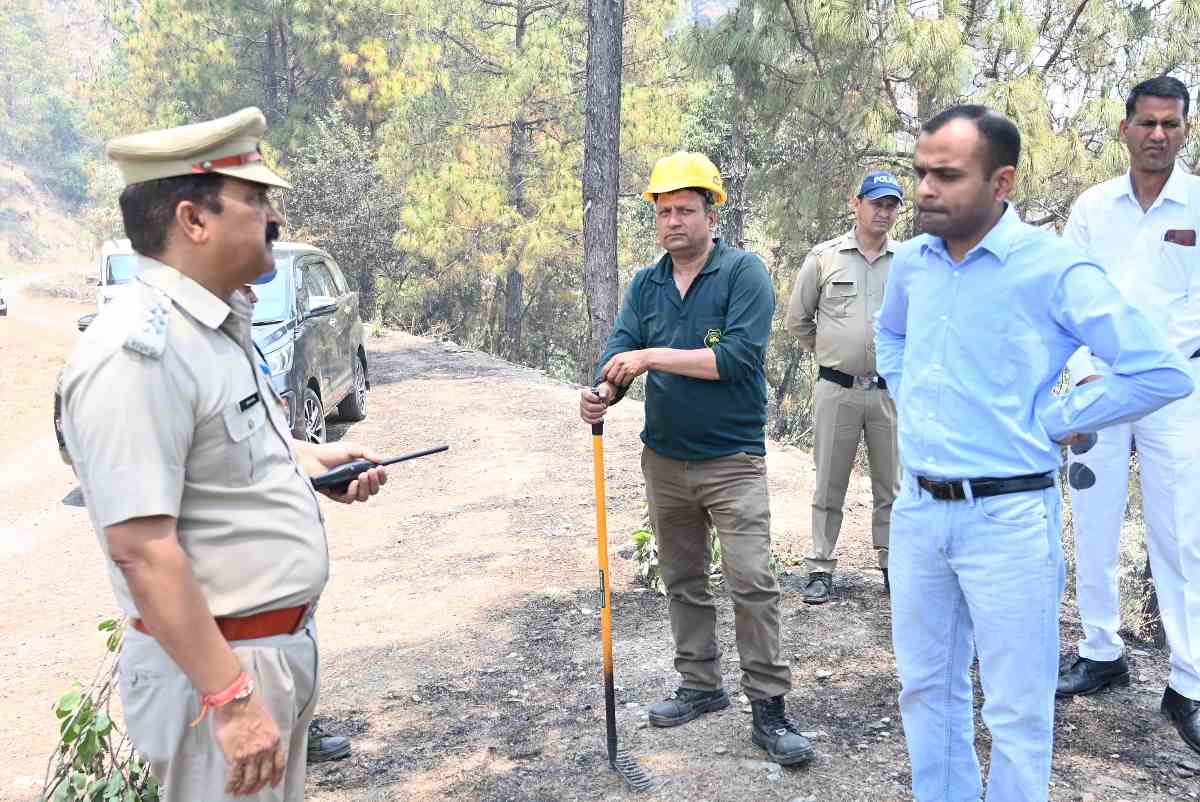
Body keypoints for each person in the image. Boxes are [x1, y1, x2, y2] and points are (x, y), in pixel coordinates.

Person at [59, 107, 387, 800]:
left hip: (264, 656)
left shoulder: (210, 327)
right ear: (193, 220)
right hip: (221, 671)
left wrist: (309, 465)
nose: (275, 221)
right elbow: (142, 549)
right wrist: (231, 700)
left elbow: (220, 462)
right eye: (257, 200)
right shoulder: (139, 351)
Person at [874, 105, 1193, 801]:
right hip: (919, 513)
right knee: (926, 690)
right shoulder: (912, 265)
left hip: (1009, 520)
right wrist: (914, 396)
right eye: (921, 172)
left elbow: (1161, 370)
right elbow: (890, 336)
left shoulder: (1053, 269)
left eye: (947, 175)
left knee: (1016, 710)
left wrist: (1058, 417)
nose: (925, 189)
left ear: (1002, 182)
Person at [578, 151, 813, 766]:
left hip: (732, 459)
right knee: (683, 580)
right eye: (663, 211)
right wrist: (604, 392)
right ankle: (701, 686)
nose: (673, 222)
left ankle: (769, 707)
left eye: (685, 210)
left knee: (752, 582)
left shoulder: (744, 274)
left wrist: (652, 358)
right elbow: (621, 349)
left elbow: (735, 359)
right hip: (666, 461)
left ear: (712, 212)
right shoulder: (647, 283)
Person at [1055, 75, 1200, 755]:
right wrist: (1086, 373)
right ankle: (1100, 652)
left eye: (1171, 125)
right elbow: (1071, 292)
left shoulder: (1198, 203)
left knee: (1182, 536)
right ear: (1124, 128)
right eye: (1147, 123)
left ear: (1186, 131)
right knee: (1093, 521)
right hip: (1100, 385)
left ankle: (1189, 682)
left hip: (1177, 392)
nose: (1158, 135)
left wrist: (1159, 371)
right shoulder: (1092, 208)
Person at [785, 170, 903, 603]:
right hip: (837, 390)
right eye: (876, 203)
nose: (883, 212)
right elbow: (798, 319)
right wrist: (834, 353)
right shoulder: (825, 258)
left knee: (891, 484)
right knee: (829, 480)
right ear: (857, 204)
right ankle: (819, 566)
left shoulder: (906, 262)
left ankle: (893, 565)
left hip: (890, 392)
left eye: (891, 205)